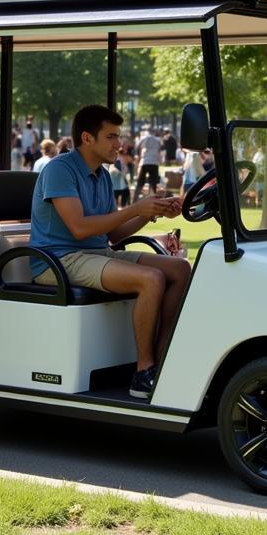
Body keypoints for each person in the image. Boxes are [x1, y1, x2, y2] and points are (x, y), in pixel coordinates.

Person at [29, 104, 190, 400]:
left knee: (180, 269)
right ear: (88, 138)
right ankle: (144, 372)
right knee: (151, 278)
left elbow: (112, 234)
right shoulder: (59, 170)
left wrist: (151, 212)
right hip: (58, 260)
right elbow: (78, 228)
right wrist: (134, 208)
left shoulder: (101, 175)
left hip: (95, 254)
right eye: (112, 137)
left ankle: (163, 357)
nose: (120, 144)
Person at [133, 126, 161, 199]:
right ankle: (153, 200)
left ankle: (134, 200)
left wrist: (138, 163)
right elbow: (160, 151)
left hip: (144, 161)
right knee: (153, 183)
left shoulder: (142, 139)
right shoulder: (157, 140)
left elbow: (137, 150)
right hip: (154, 162)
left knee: (140, 183)